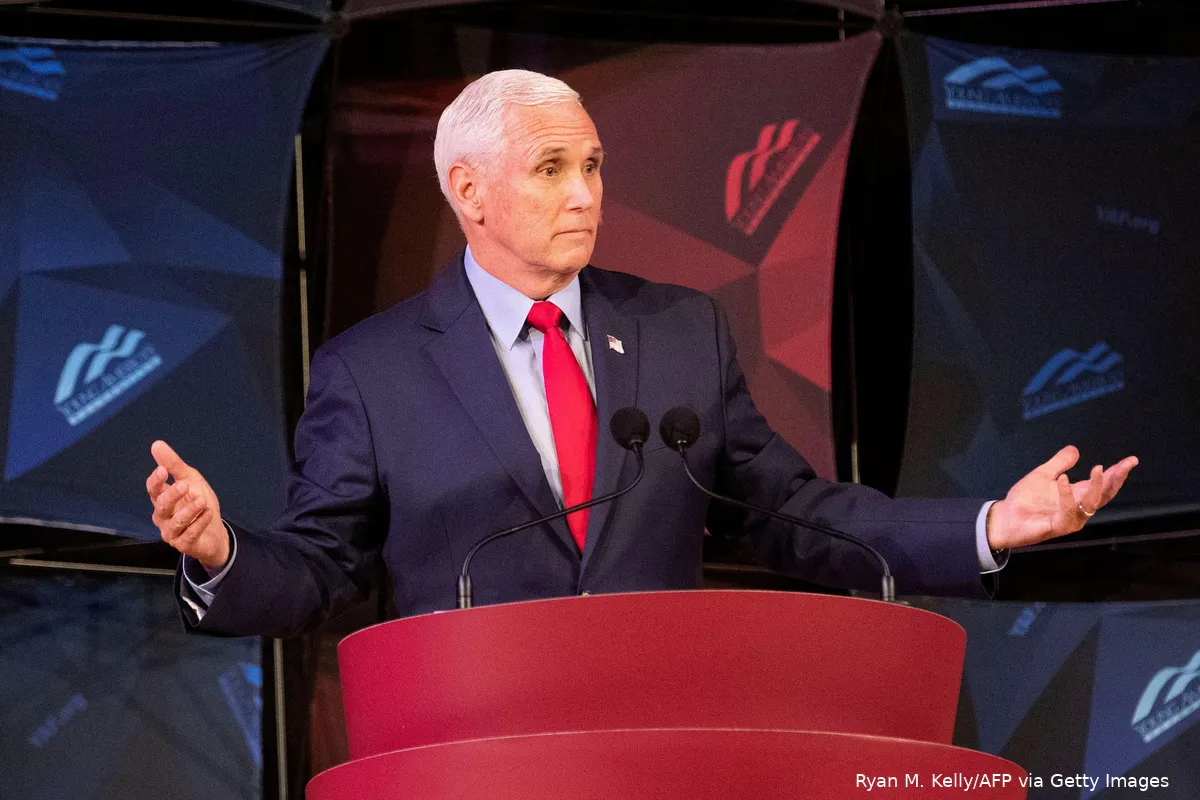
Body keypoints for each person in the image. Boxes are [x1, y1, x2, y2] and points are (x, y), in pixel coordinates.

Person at [146, 70, 1137, 638]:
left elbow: (791, 513)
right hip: (471, 754)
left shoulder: (680, 330)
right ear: (468, 189)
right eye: (550, 168)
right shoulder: (373, 370)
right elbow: (319, 567)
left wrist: (991, 524)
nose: (584, 193)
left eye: (592, 166)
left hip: (657, 742)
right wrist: (219, 551)